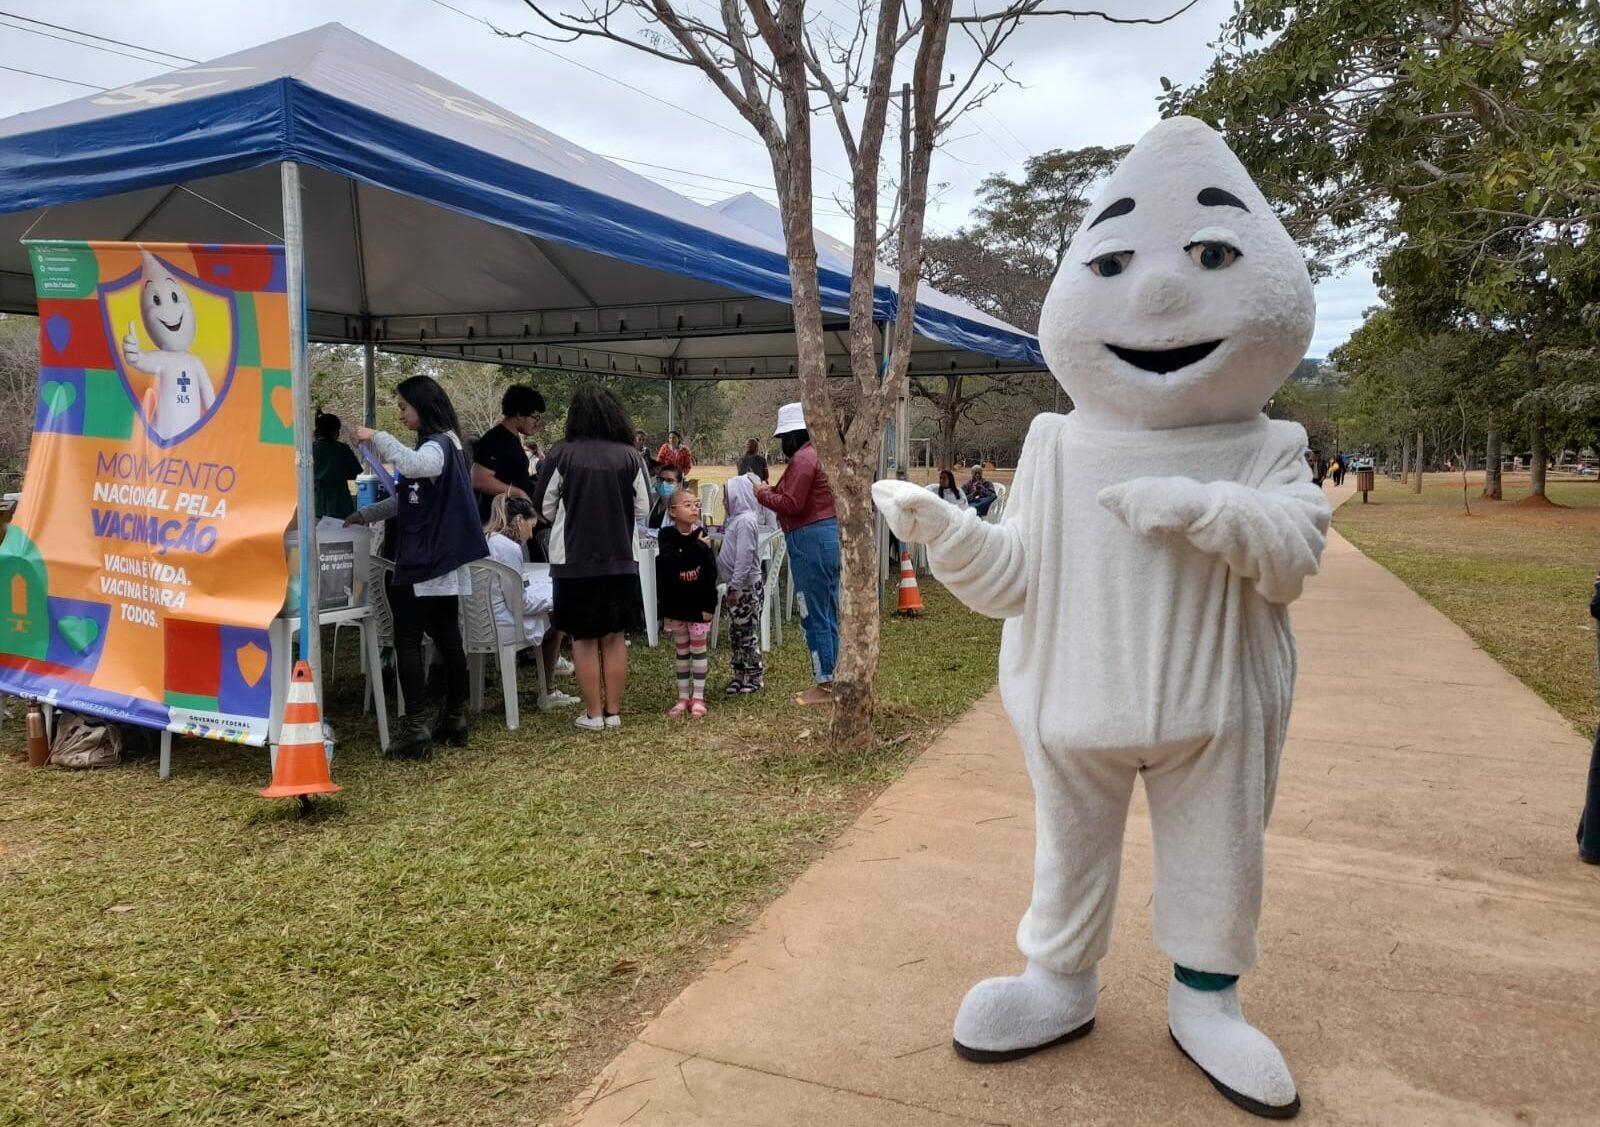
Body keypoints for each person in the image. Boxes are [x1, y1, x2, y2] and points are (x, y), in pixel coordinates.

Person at [348, 376, 487, 761]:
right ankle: (453, 719)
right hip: (440, 559)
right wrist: (365, 514)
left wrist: (378, 436)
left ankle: (416, 728)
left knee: (407, 640)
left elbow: (412, 465)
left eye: (405, 407)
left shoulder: (438, 446)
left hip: (428, 558)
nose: (401, 413)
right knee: (446, 638)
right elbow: (409, 498)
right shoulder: (450, 447)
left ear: (423, 407)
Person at [533, 386, 650, 731]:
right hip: (621, 559)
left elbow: (543, 507)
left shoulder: (561, 454)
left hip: (573, 562)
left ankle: (593, 713)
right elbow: (643, 508)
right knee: (614, 635)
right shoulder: (631, 456)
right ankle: (614, 713)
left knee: (582, 638)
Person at [756, 402, 838, 706]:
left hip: (809, 540)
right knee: (828, 611)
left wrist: (761, 493)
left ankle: (825, 683)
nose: (783, 446)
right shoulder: (823, 454)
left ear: (794, 435)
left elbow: (792, 503)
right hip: (828, 536)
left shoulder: (803, 459)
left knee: (813, 613)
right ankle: (834, 677)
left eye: (784, 439)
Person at [483, 494, 578, 712]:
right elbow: (520, 604)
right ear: (519, 521)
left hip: (478, 623)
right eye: (531, 526)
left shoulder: (486, 538)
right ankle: (548, 689)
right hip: (503, 624)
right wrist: (553, 599)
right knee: (556, 617)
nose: (531, 533)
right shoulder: (509, 547)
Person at [655, 488, 719, 717]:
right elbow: (669, 563)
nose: (694, 508)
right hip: (676, 605)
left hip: (698, 606)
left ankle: (698, 697)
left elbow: (710, 572)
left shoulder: (702, 533)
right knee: (682, 652)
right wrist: (697, 548)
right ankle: (682, 697)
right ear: (672, 512)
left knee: (698, 650)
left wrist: (709, 606)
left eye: (696, 504)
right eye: (687, 504)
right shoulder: (666, 536)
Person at [471, 384, 545, 522]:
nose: (537, 423)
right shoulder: (495, 439)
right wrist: (518, 493)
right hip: (497, 522)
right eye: (535, 417)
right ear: (519, 414)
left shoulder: (513, 439)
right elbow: (479, 479)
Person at [719, 474, 765, 693]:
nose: (723, 502)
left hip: (745, 589)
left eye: (726, 496)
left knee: (747, 633)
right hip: (736, 587)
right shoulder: (737, 520)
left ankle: (754, 675)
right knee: (736, 633)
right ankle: (739, 673)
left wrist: (736, 585)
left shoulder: (746, 521)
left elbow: (745, 556)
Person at [312, 412, 361, 520]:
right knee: (342, 534)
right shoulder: (342, 449)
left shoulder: (309, 450)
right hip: (341, 503)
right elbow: (353, 473)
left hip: (316, 503)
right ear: (335, 431)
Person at [646, 463, 681, 530]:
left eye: (669, 480)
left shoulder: (683, 507)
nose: (664, 484)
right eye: (661, 480)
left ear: (678, 485)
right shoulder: (650, 499)